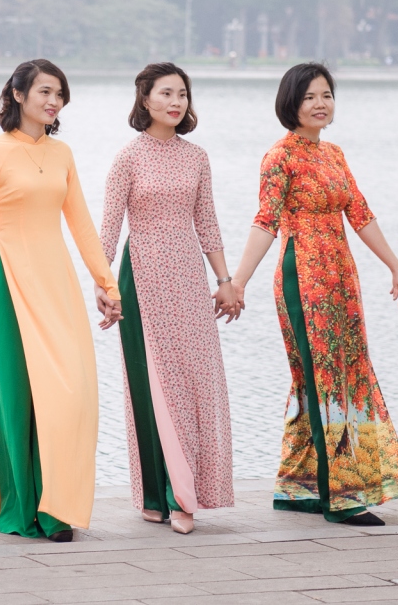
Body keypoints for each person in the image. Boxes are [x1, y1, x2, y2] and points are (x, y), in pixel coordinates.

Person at [0, 59, 121, 542]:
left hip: (56, 283)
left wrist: (108, 284)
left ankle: (57, 508)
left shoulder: (62, 154)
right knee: (17, 397)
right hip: (10, 283)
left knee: (70, 396)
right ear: (18, 95)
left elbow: (81, 224)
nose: (54, 101)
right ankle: (22, 508)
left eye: (59, 93)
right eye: (44, 91)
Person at [228, 63, 398, 526]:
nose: (320, 104)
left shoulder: (334, 154)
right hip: (304, 277)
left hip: (341, 276)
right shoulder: (279, 157)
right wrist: (238, 282)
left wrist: (397, 268)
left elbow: (360, 213)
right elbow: (265, 221)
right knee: (319, 375)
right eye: (309, 96)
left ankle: (301, 487)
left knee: (344, 371)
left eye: (326, 95)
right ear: (290, 103)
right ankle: (341, 494)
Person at [97, 63, 237, 535]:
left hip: (189, 280)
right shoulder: (128, 158)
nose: (176, 102)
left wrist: (224, 279)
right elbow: (108, 227)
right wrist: (103, 284)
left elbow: (207, 222)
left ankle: (186, 495)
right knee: (150, 383)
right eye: (166, 93)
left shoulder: (196, 157)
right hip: (141, 277)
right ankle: (158, 495)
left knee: (192, 382)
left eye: (182, 94)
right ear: (145, 99)